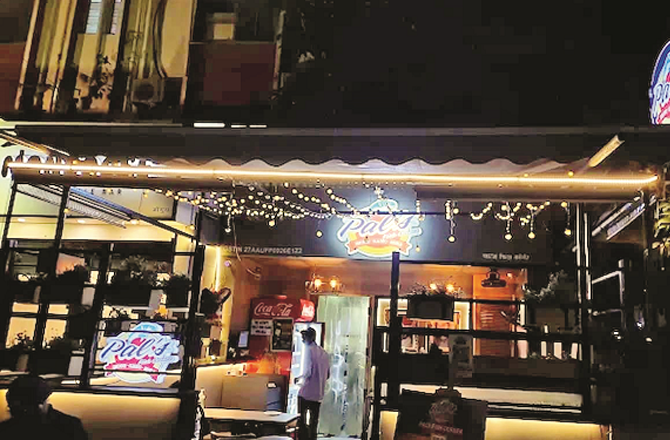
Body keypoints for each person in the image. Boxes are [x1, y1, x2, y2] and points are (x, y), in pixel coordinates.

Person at [0, 375, 88, 440]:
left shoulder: (70, 427)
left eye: (14, 409)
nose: (12, 413)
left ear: (38, 406)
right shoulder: (70, 425)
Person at [297, 327, 330, 440]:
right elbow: (328, 374)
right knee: (314, 422)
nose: (302, 340)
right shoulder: (324, 353)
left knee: (301, 420)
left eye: (304, 337)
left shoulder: (308, 351)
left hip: (306, 393)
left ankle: (303, 437)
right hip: (318, 394)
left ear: (309, 338)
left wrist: (298, 379)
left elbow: (307, 372)